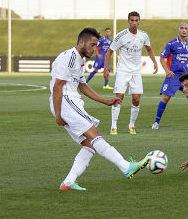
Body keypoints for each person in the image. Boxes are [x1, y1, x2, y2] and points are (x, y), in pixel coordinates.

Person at [49, 27, 149, 191]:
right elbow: (57, 88)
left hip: (69, 101)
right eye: (92, 45)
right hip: (65, 101)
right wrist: (58, 114)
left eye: (96, 46)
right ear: (82, 42)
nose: (95, 49)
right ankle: (125, 166)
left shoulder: (79, 60)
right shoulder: (68, 57)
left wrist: (106, 101)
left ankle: (68, 182)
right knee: (95, 135)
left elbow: (83, 87)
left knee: (89, 144)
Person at [104, 11, 158, 135]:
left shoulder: (143, 35)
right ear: (128, 21)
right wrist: (106, 68)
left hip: (136, 72)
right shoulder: (121, 35)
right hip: (123, 71)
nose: (134, 23)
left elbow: (149, 49)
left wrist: (154, 62)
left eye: (136, 20)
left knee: (136, 99)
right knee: (119, 98)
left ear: (139, 21)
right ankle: (113, 126)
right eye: (132, 20)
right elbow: (109, 51)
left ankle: (132, 125)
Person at [151, 22, 188, 130]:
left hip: (185, 76)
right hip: (173, 76)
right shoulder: (171, 44)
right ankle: (156, 122)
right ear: (178, 30)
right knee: (166, 98)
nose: (184, 30)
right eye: (182, 28)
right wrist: (167, 70)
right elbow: (162, 58)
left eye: (186, 28)